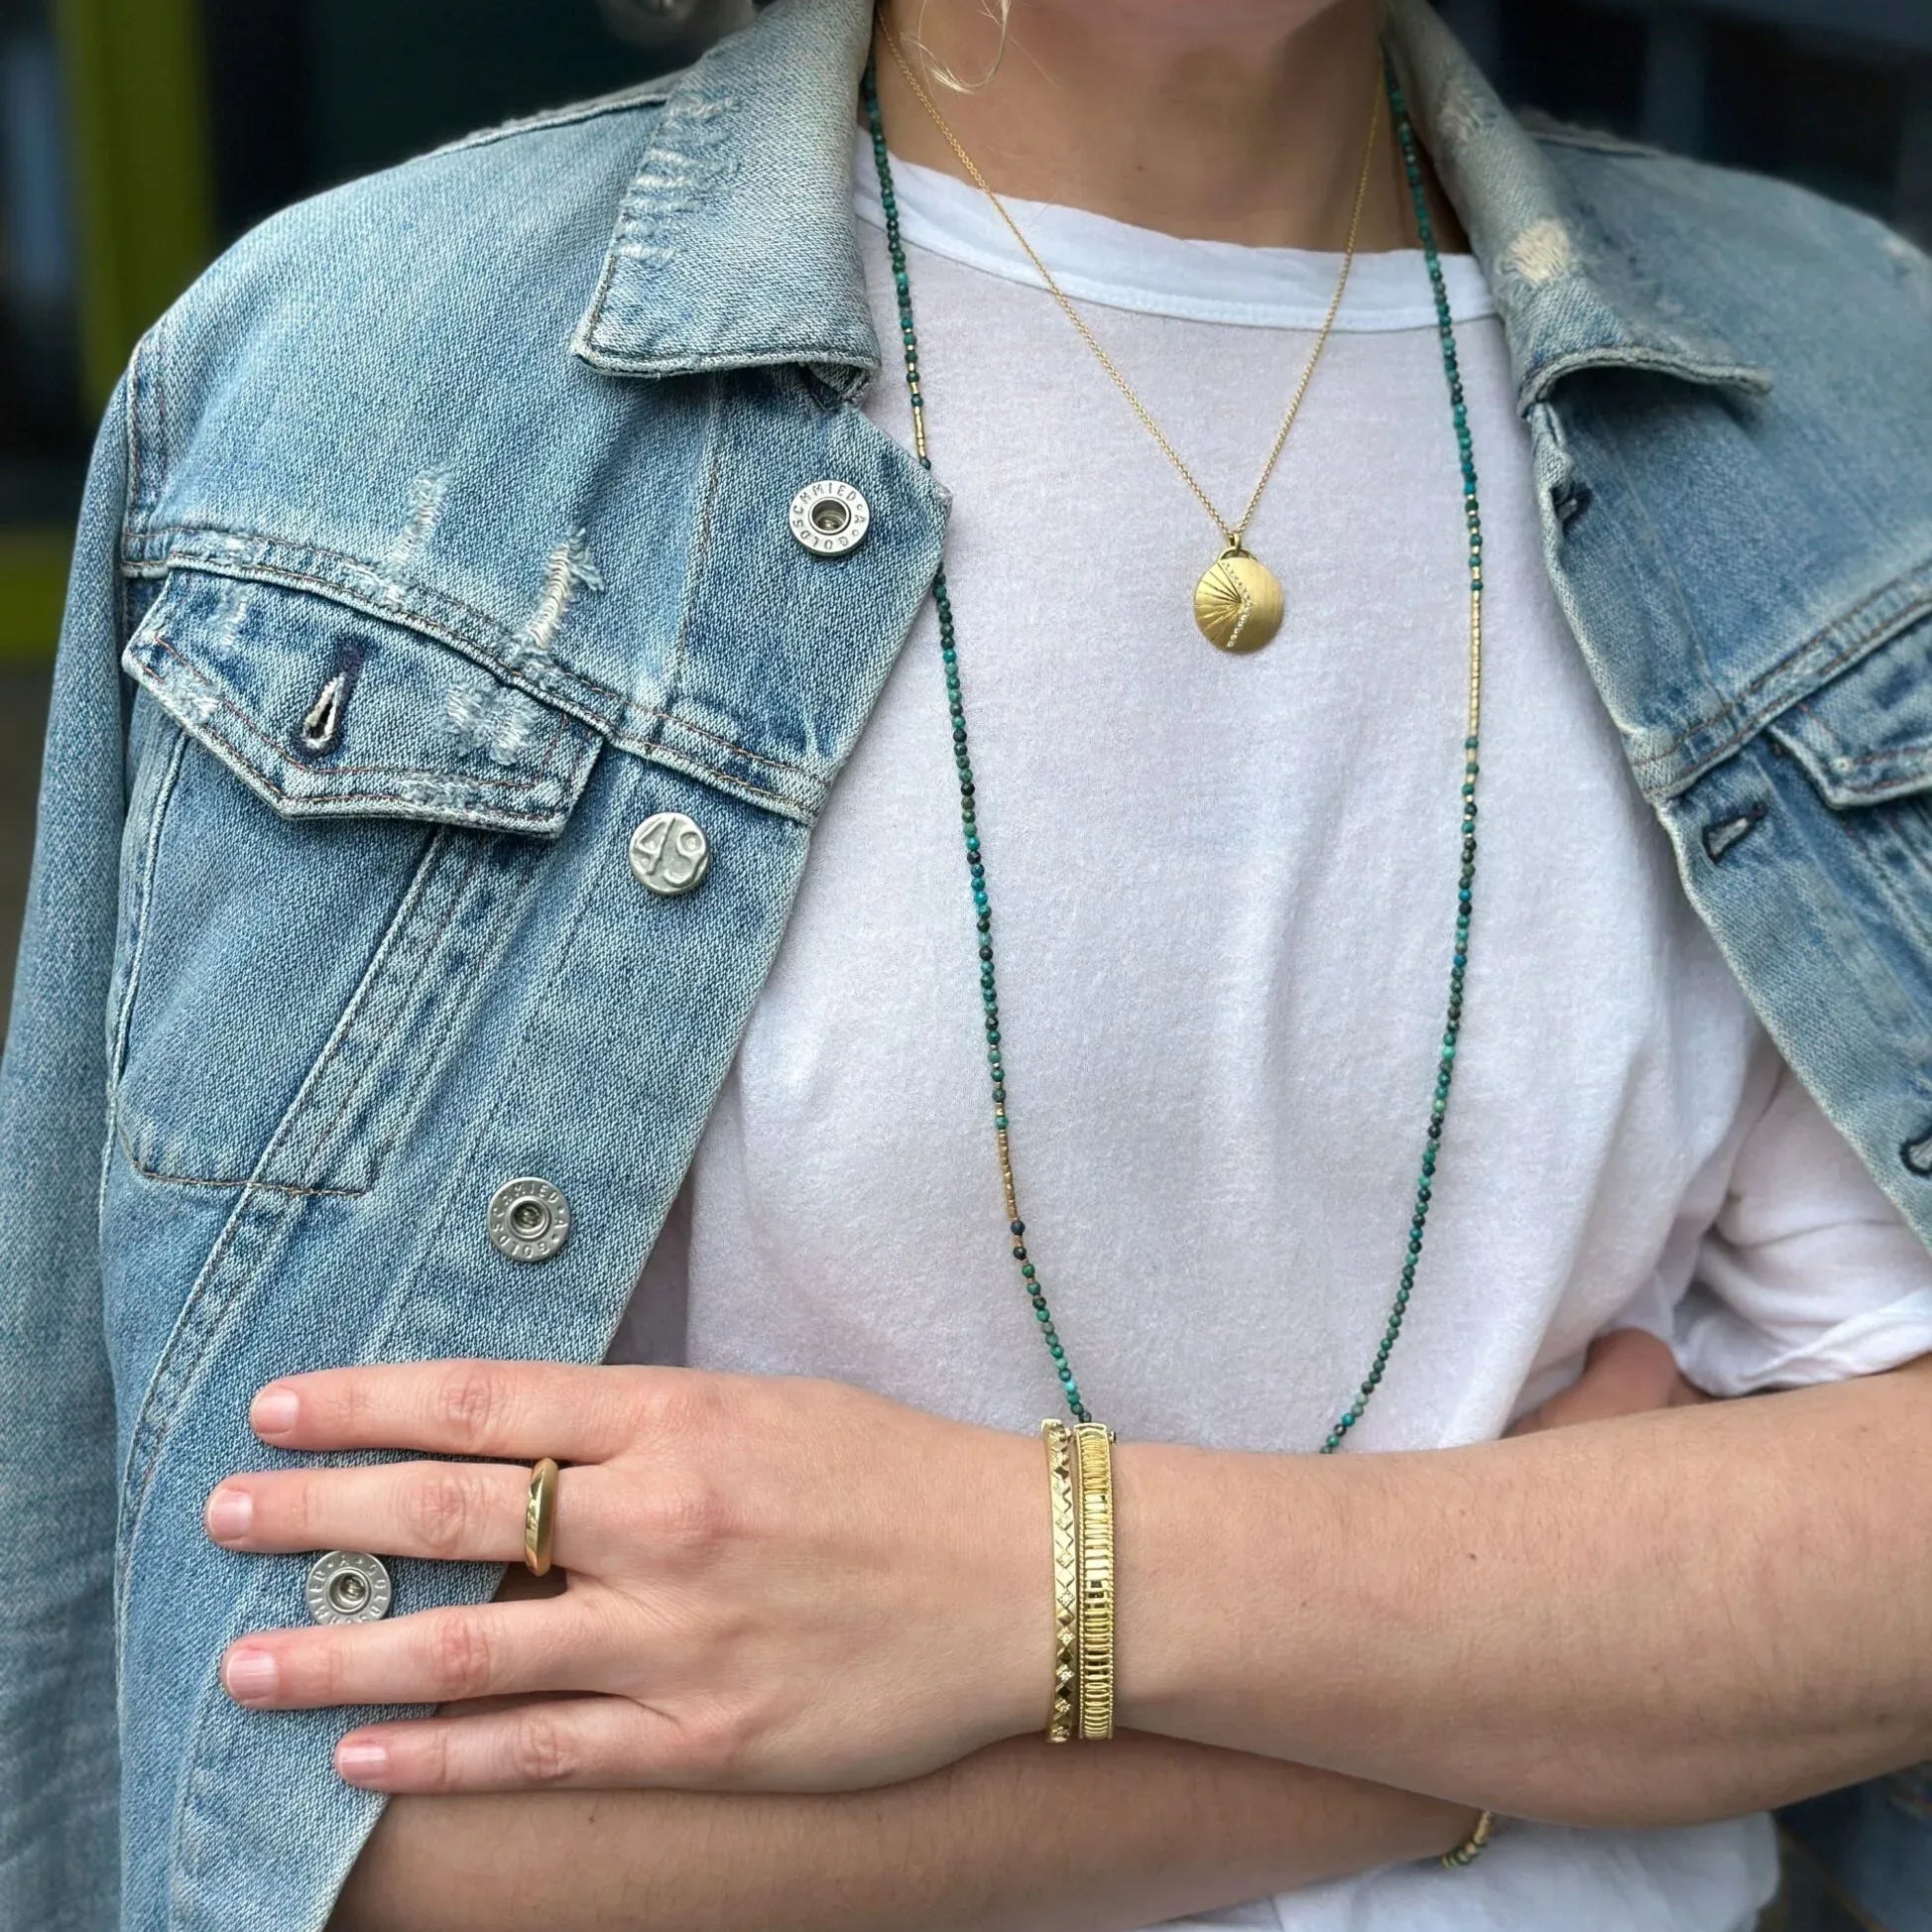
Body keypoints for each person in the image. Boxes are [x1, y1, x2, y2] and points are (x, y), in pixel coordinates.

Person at [4, 0, 1931, 1928]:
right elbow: (325, 1807)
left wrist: (1032, 1575)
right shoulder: (379, 397)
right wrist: (1535, 1676)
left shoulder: (1843, 389)